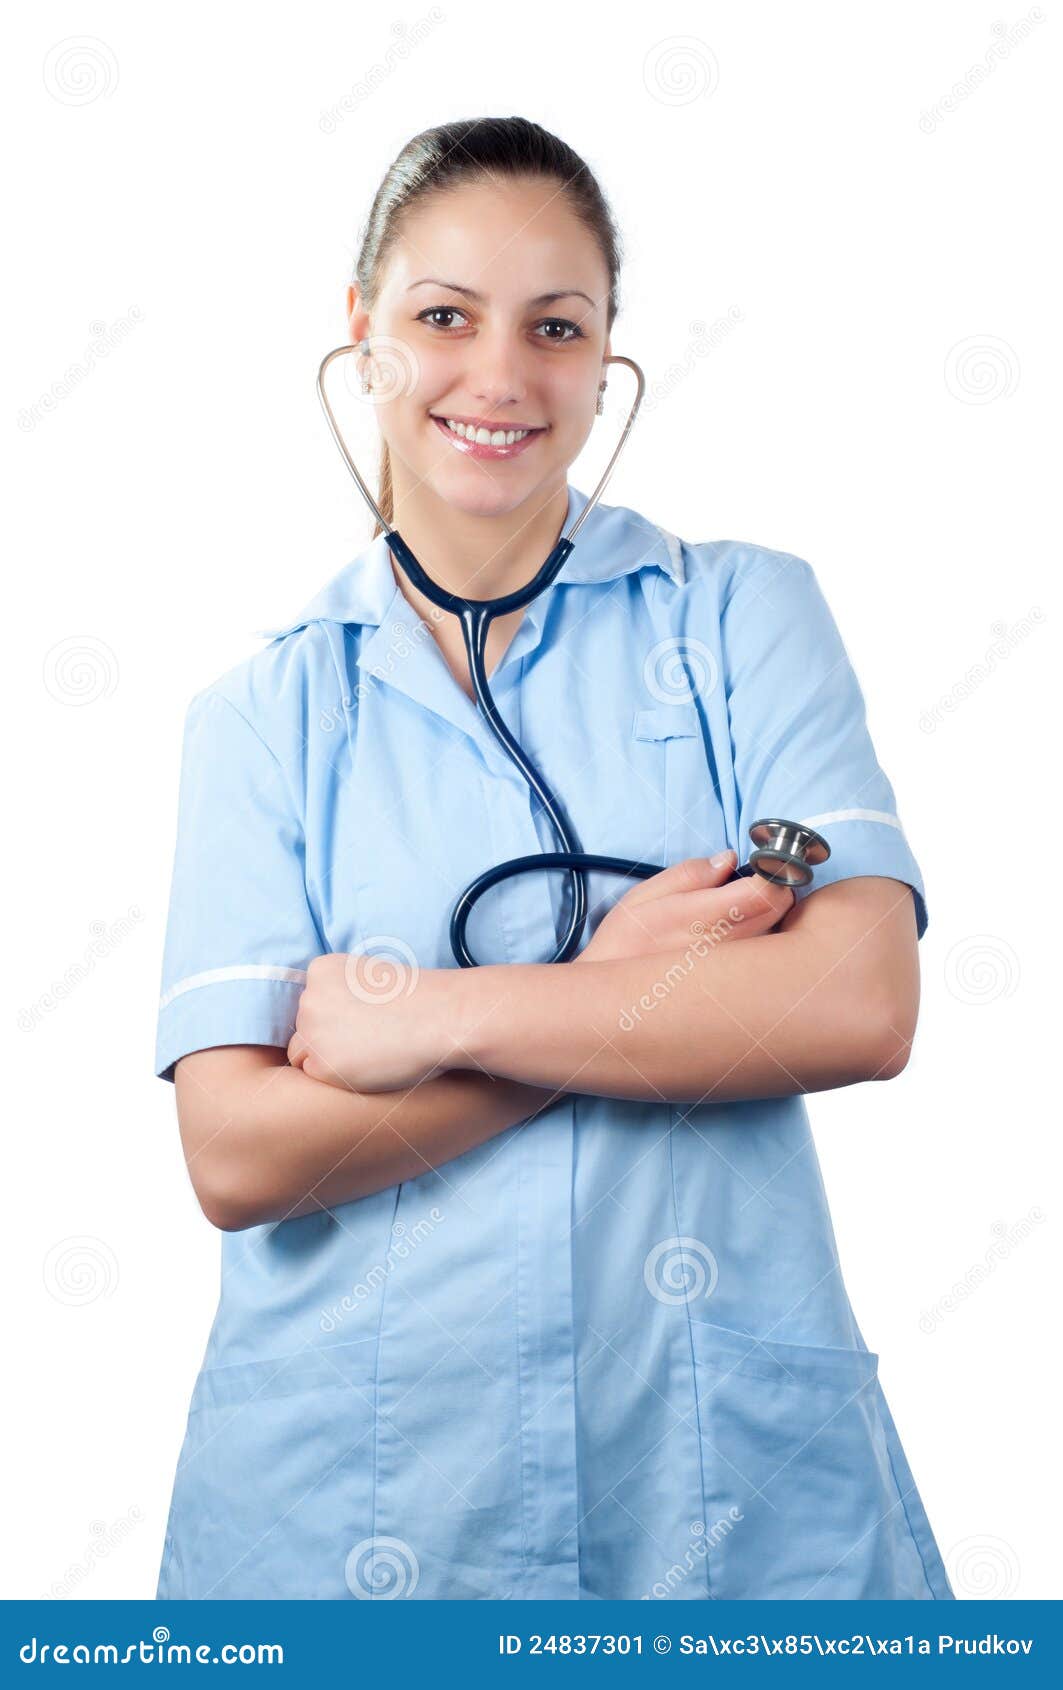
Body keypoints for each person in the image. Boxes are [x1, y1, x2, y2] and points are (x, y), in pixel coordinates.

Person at [153, 115, 954, 1601]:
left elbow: (857, 1005)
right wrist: (623, 992)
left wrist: (435, 1016)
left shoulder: (739, 622)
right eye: (444, 316)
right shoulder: (265, 714)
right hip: (357, 1507)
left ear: (607, 359)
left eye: (556, 325)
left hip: (721, 1492)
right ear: (365, 337)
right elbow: (239, 1151)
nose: (502, 376)